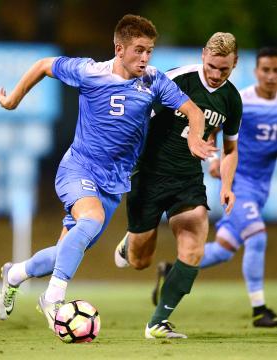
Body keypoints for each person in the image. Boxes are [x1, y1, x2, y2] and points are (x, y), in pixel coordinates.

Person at [0, 14, 216, 333]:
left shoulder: (154, 80)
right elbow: (44, 64)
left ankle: (14, 274)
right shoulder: (89, 72)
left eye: (150, 51)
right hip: (78, 168)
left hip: (114, 183)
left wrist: (196, 135)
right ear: (119, 48)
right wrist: (13, 100)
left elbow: (193, 111)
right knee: (91, 219)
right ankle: (53, 299)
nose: (145, 58)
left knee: (67, 249)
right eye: (139, 50)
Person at [114, 32, 242, 338]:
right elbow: (136, 107)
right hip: (149, 174)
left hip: (187, 179)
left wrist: (226, 185)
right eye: (211, 66)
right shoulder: (177, 79)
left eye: (223, 69)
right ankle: (130, 241)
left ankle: (158, 322)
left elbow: (229, 149)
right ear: (202, 55)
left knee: (195, 237)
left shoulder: (231, 100)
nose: (215, 74)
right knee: (139, 261)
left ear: (235, 63)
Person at [198, 46, 277, 327]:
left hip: (260, 189)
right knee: (257, 237)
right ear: (256, 71)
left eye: (276, 71)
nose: (270, 76)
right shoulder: (241, 101)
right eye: (266, 70)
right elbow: (212, 130)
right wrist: (215, 158)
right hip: (237, 183)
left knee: (223, 249)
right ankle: (259, 310)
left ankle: (173, 271)